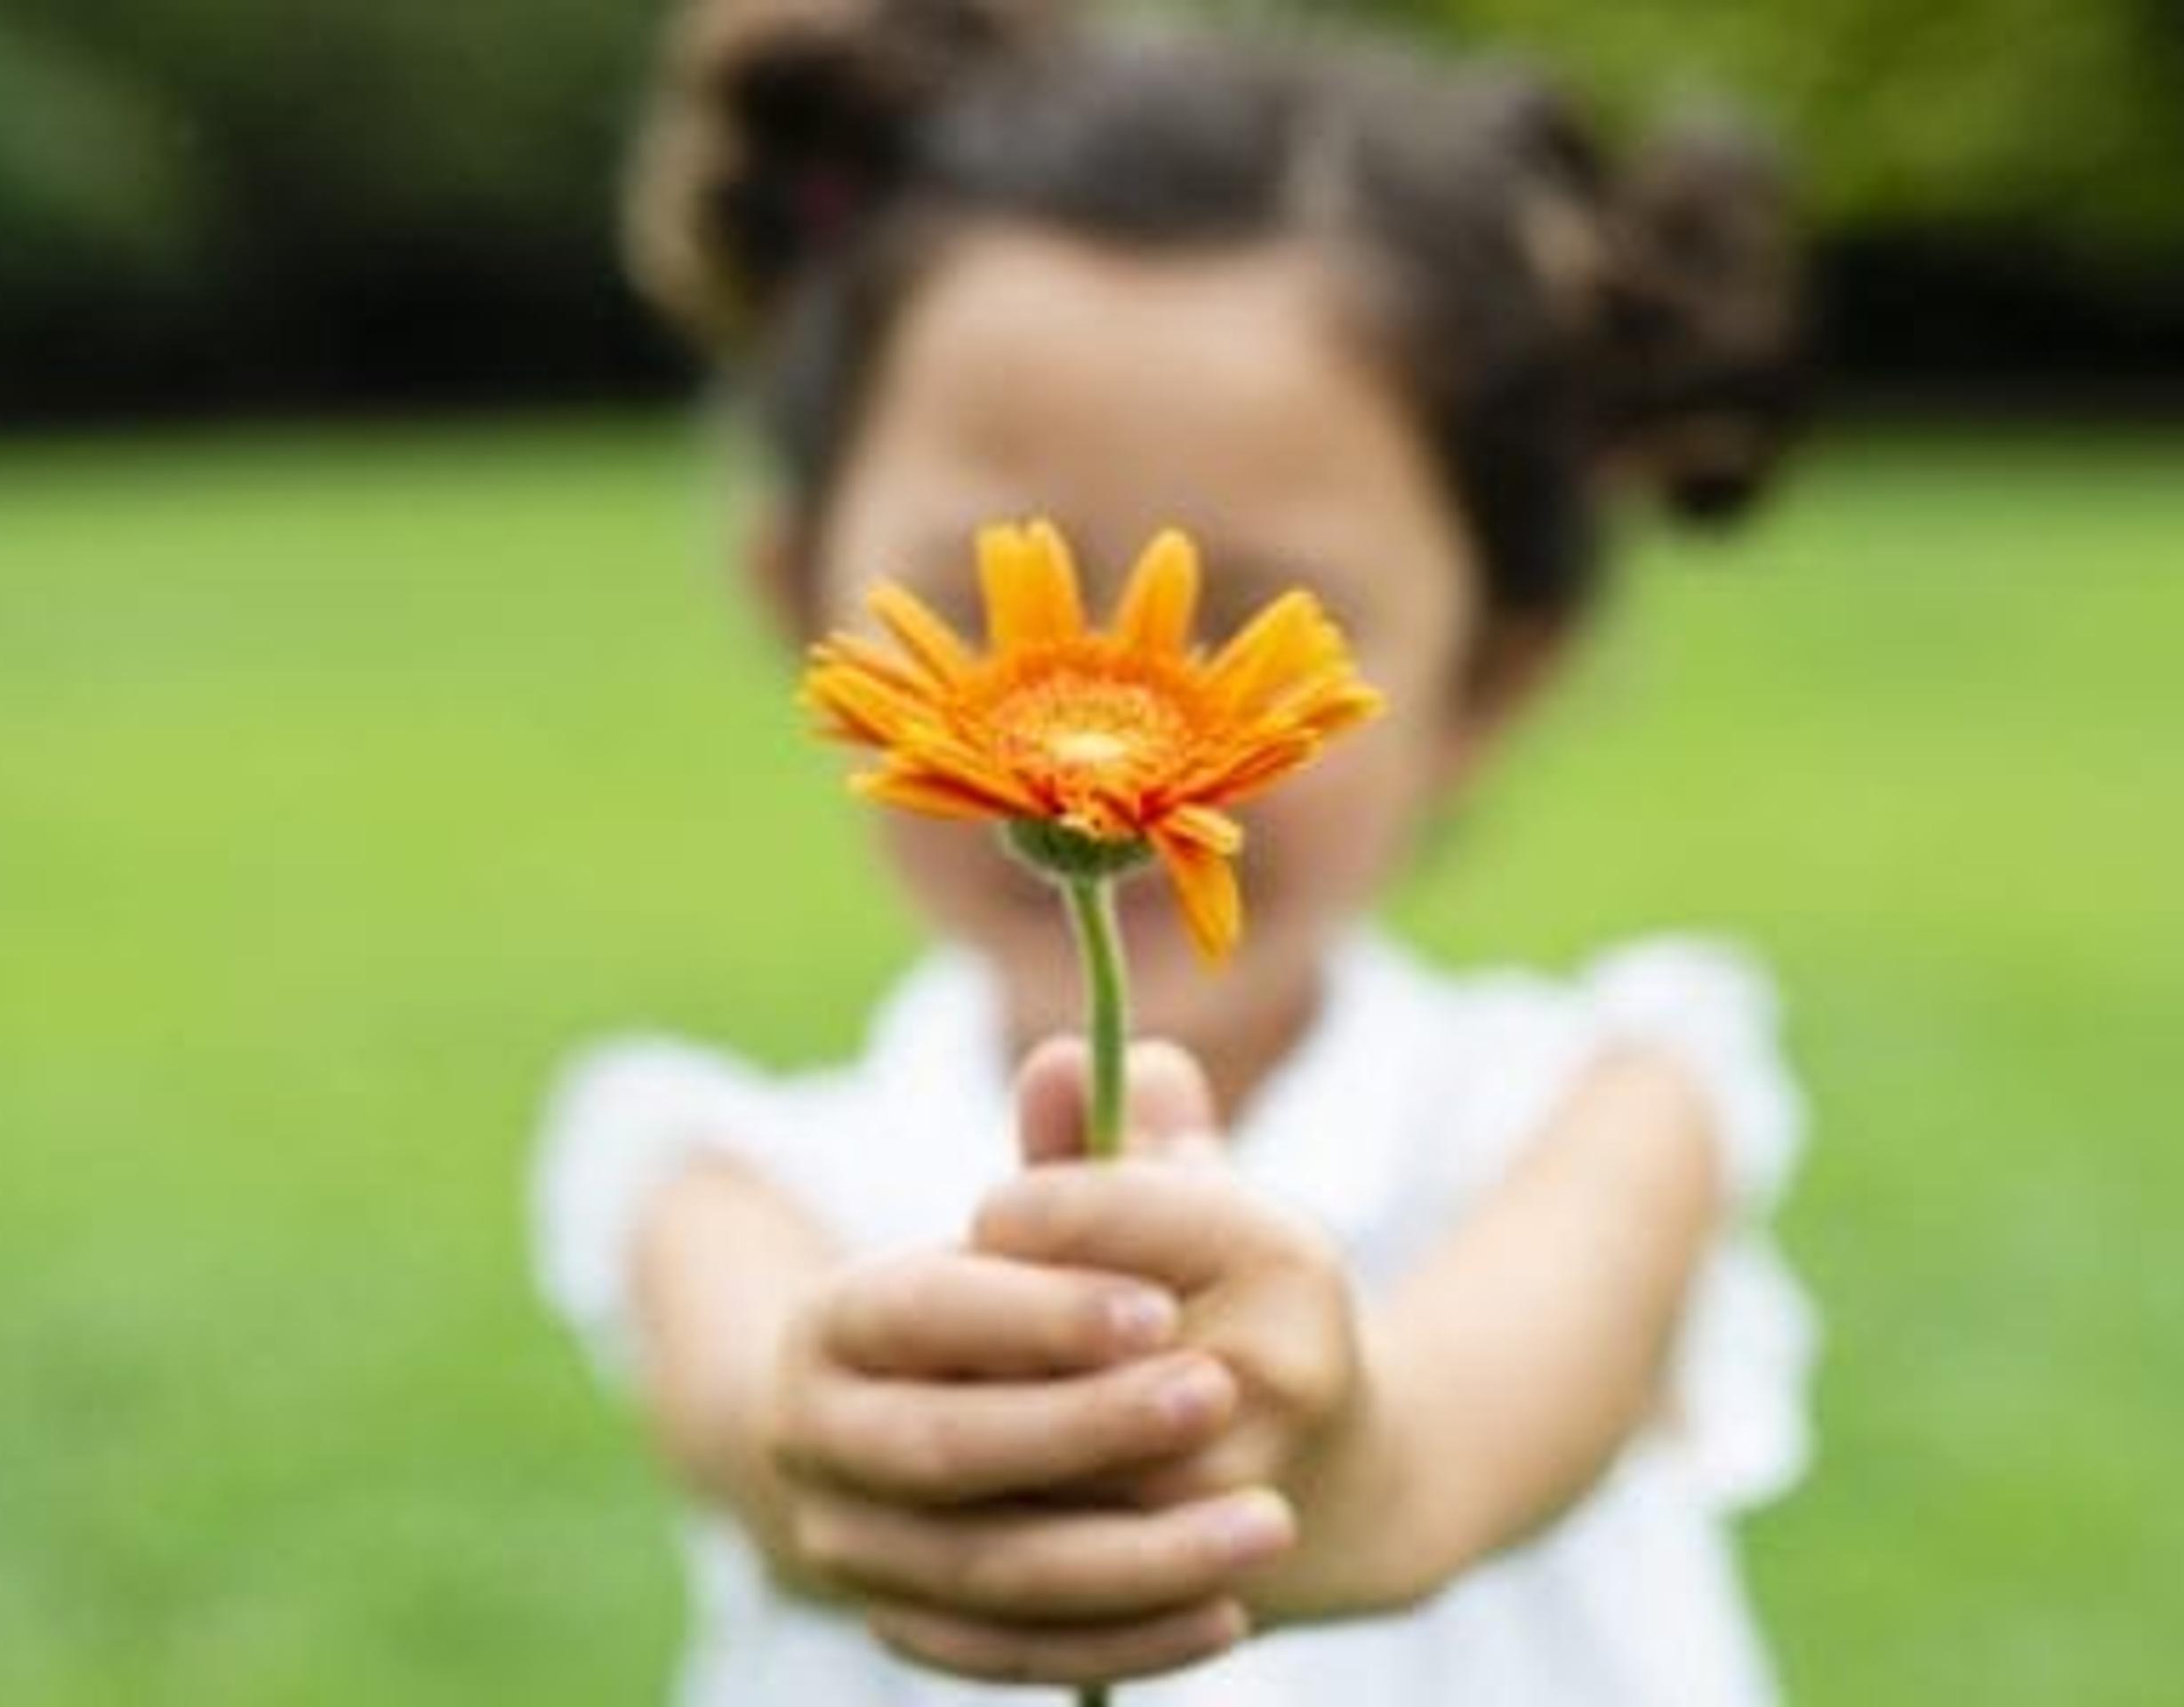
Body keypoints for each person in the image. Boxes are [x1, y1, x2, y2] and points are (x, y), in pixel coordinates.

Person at [539, 1, 1812, 1699]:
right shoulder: (723, 1182)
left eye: (1255, 626)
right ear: (803, 604)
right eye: (987, 606)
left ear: (1491, 677)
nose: (1108, 713)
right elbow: (763, 1421)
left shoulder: (1604, 1113)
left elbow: (1479, 1412)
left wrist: (1344, 1469)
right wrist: (857, 1449)